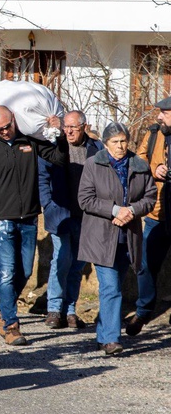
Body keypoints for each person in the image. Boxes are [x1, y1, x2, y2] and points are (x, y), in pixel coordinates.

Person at [0, 107, 67, 346]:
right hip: (0, 219)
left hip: (29, 218)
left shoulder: (29, 141)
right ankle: (11, 325)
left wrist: (60, 134)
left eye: (6, 126)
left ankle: (1, 309)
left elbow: (59, 159)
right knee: (7, 271)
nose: (3, 132)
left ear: (13, 120)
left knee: (24, 271)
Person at [77, 123, 156, 355]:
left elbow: (150, 197)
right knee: (111, 288)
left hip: (128, 236)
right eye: (115, 142)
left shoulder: (139, 165)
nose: (120, 146)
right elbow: (85, 199)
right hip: (101, 236)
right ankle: (112, 339)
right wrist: (114, 210)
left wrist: (131, 210)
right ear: (105, 143)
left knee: (114, 287)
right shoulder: (93, 164)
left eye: (123, 141)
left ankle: (103, 335)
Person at [38, 110, 101, 329]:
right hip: (60, 215)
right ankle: (54, 309)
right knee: (61, 260)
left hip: (86, 216)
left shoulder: (96, 149)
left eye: (74, 127)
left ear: (85, 127)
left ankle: (70, 309)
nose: (69, 130)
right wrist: (47, 203)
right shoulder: (55, 147)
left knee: (77, 265)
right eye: (66, 126)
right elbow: (42, 176)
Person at [129, 96, 171, 336]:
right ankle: (143, 311)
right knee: (145, 265)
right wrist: (155, 169)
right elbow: (139, 160)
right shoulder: (154, 134)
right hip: (156, 213)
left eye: (164, 112)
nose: (159, 116)